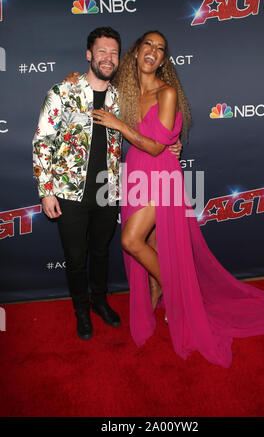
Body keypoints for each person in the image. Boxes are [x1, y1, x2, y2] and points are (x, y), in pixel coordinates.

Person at [92, 30, 264, 367]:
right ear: (135, 52)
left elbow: (157, 146)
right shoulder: (125, 89)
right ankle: (164, 295)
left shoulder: (167, 91)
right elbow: (95, 77)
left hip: (160, 174)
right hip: (136, 172)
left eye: (161, 49)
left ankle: (176, 295)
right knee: (153, 243)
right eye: (148, 44)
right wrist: (76, 76)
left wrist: (121, 126)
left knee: (131, 240)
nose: (153, 51)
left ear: (164, 59)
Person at [33, 27, 182, 342]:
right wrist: (46, 190)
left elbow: (152, 126)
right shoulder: (64, 90)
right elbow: (42, 140)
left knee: (101, 251)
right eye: (101, 51)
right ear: (89, 54)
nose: (107, 57)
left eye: (113, 52)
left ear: (120, 58)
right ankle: (81, 312)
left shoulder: (121, 95)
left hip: (107, 189)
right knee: (76, 259)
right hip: (68, 192)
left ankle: (100, 302)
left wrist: (173, 143)